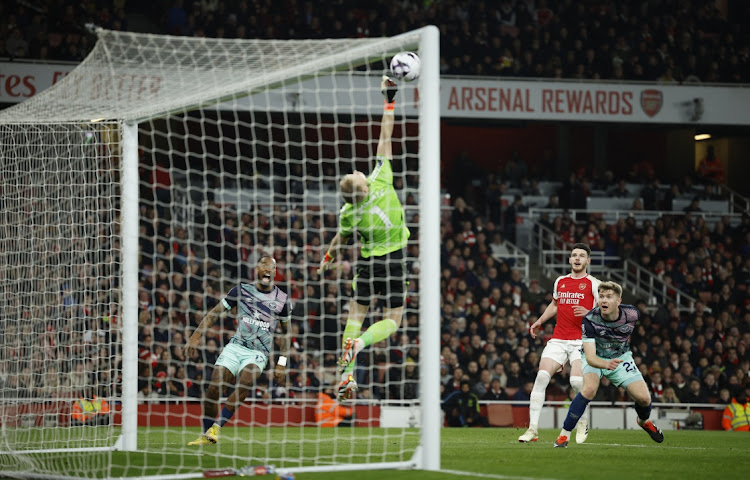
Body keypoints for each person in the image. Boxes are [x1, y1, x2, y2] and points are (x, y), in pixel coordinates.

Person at [318, 76, 410, 402]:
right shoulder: (381, 180)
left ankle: (346, 376)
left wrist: (327, 260)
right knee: (394, 320)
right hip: (396, 257)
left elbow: (340, 242)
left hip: (369, 262)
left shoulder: (348, 213)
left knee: (355, 315)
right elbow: (386, 136)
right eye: (355, 174)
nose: (358, 170)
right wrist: (389, 99)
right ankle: (362, 344)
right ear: (364, 187)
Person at [186, 255, 291, 445]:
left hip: (258, 353)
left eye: (271, 266)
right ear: (257, 269)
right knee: (213, 390)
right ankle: (206, 434)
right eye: (263, 264)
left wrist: (281, 363)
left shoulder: (282, 300)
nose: (267, 268)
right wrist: (195, 336)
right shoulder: (241, 290)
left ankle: (216, 428)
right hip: (235, 347)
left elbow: (286, 334)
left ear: (275, 272)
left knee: (245, 381)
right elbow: (215, 313)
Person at [553, 281, 664, 447]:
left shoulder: (632, 314)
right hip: (596, 357)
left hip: (620, 357)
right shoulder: (589, 320)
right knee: (589, 390)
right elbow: (590, 357)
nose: (604, 300)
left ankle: (644, 421)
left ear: (619, 301)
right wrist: (605, 364)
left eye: (609, 297)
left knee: (644, 398)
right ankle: (564, 435)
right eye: (602, 296)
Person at [518, 243, 599, 444]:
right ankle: (533, 429)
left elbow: (605, 312)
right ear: (570, 260)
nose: (577, 258)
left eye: (582, 255)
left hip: (582, 340)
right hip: (559, 339)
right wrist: (539, 321)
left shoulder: (594, 284)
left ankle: (583, 420)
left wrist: (589, 313)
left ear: (588, 261)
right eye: (574, 255)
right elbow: (555, 305)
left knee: (576, 382)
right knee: (542, 377)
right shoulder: (560, 281)